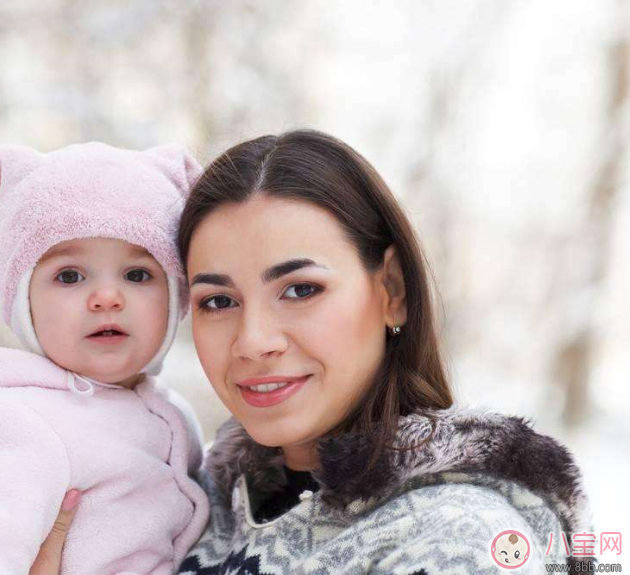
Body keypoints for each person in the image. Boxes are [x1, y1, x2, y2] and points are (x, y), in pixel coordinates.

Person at [33, 130, 597, 574]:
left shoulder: (457, 540)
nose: (254, 341)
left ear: (392, 292)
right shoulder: (186, 507)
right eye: (218, 301)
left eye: (301, 290)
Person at [0, 142, 210, 575]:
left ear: (176, 296)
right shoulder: (10, 423)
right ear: (23, 301)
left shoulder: (172, 417)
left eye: (138, 274)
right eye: (70, 276)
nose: (107, 298)